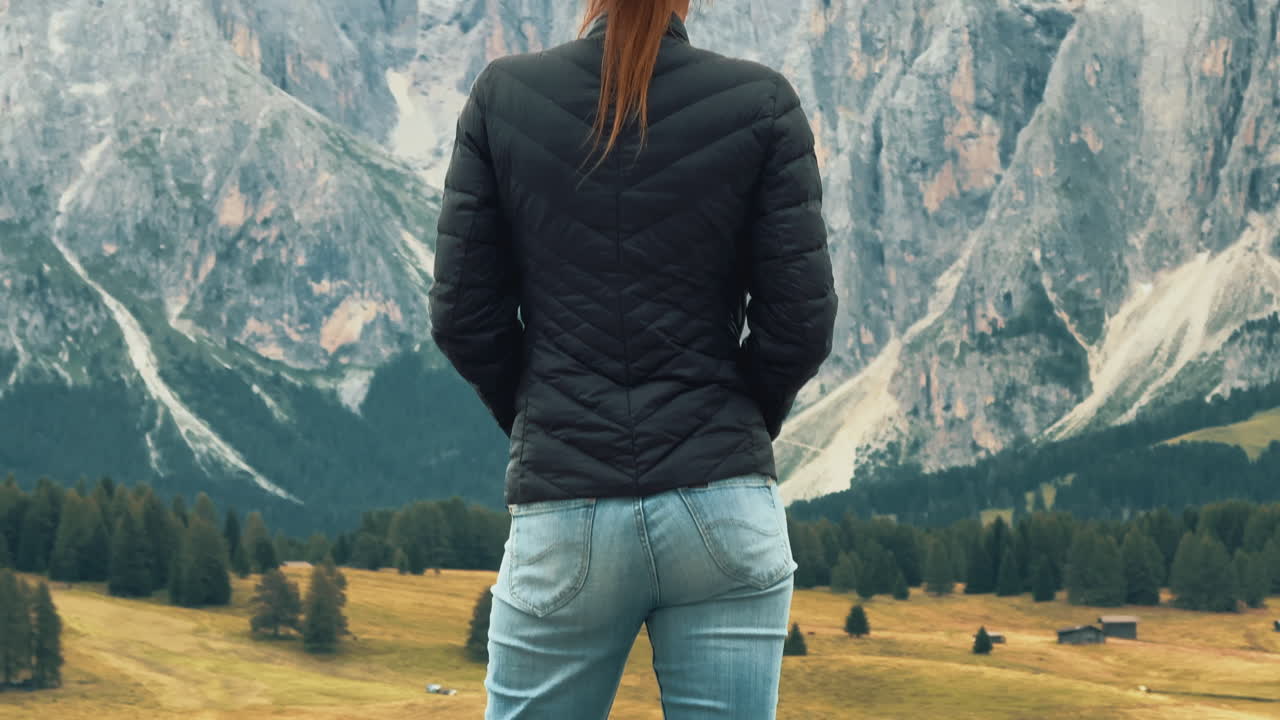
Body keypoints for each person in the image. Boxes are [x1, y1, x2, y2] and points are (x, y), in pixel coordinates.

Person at [428, 0, 837, 717]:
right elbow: (800, 325)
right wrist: (731, 426)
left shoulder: (501, 96)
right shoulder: (764, 102)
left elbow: (463, 316)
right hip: (725, 507)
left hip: (566, 508)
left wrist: (544, 417)